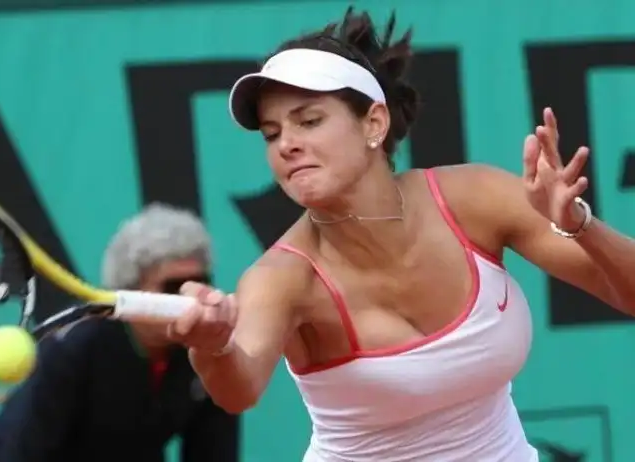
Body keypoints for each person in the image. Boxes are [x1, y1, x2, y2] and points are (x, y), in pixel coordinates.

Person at [163, 8, 635, 462]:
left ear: (374, 122)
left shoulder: (476, 198)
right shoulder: (283, 277)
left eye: (309, 121)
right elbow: (238, 389)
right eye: (271, 133)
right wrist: (212, 346)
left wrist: (580, 225)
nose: (286, 144)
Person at [0, 204, 239, 462]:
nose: (190, 300)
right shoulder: (72, 350)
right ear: (132, 290)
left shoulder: (209, 352)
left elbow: (213, 453)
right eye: (173, 287)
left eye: (200, 283)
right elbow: (20, 451)